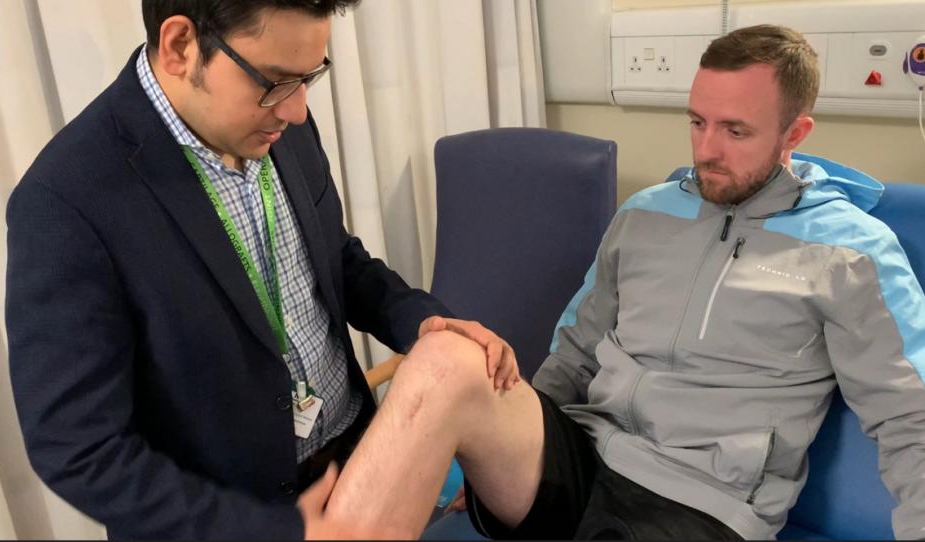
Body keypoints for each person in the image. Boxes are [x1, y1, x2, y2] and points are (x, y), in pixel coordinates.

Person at [306, 24, 925, 540]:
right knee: (444, 355)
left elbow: (910, 417)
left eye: (735, 131)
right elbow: (574, 348)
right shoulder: (646, 214)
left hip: (701, 501)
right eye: (697, 122)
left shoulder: (851, 254)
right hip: (581, 452)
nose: (706, 150)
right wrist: (507, 444)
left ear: (795, 135)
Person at [4, 0, 519, 539]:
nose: (296, 110)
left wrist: (426, 324)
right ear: (180, 46)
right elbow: (79, 447)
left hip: (357, 458)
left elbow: (337, 259)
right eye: (274, 82)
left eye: (309, 78)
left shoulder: (278, 116)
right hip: (231, 518)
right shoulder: (65, 203)